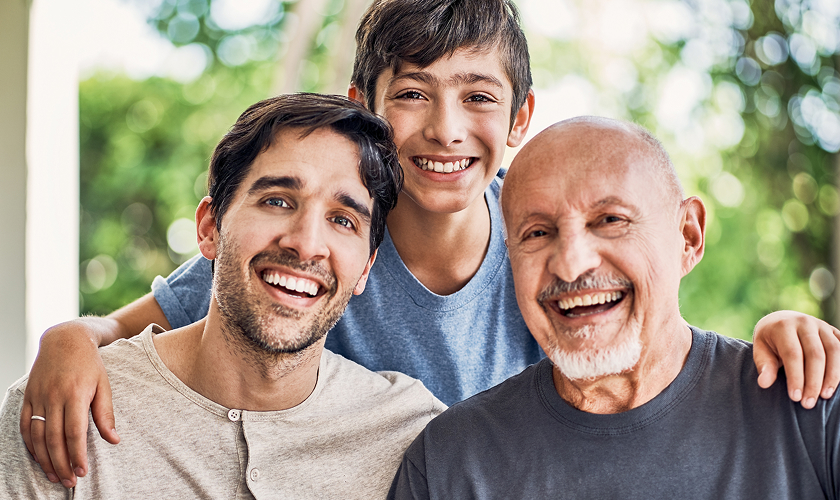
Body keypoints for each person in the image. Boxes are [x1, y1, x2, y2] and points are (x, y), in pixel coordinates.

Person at [19, 0, 840, 488]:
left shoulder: (545, 261)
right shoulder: (314, 254)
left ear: (519, 117)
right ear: (365, 107)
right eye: (411, 94)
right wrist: (68, 337)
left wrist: (777, 334)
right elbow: (131, 329)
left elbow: (642, 330)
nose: (446, 129)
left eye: (477, 97)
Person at [1, 93, 445, 498]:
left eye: (343, 219)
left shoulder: (412, 431)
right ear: (209, 228)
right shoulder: (63, 408)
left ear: (366, 267)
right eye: (277, 201)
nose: (306, 243)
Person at [388, 117, 840, 499]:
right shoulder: (450, 463)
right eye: (538, 233)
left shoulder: (811, 404)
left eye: (610, 221)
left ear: (688, 237)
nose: (570, 264)